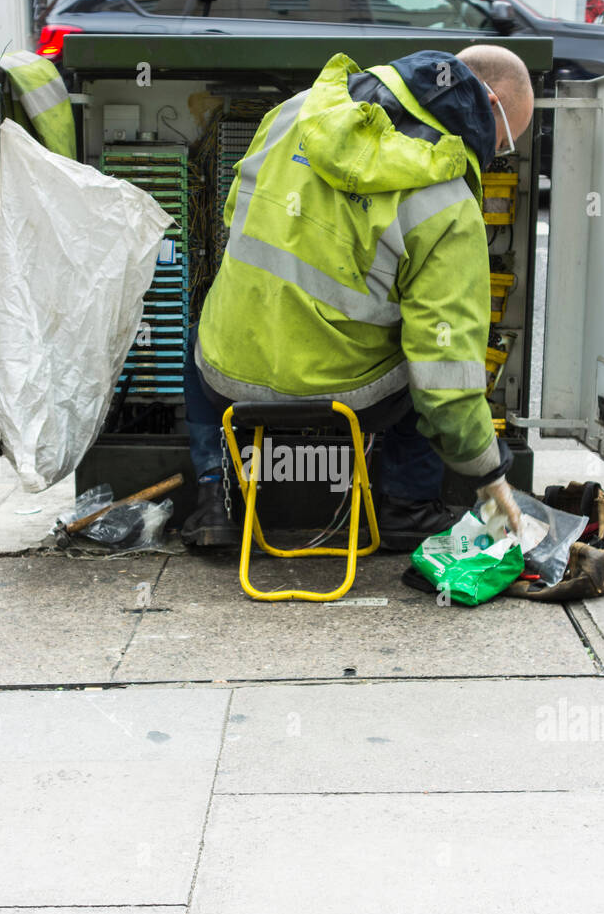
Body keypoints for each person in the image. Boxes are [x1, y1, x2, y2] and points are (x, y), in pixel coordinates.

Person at [180, 44, 534, 551]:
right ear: (490, 102)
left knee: (199, 338)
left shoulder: (295, 112)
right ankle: (405, 507)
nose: (494, 151)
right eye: (503, 140)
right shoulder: (448, 203)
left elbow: (236, 215)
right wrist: (490, 472)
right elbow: (446, 381)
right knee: (427, 358)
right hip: (344, 398)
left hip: (229, 381)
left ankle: (215, 500)